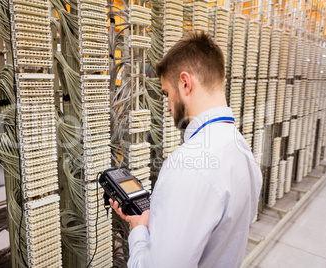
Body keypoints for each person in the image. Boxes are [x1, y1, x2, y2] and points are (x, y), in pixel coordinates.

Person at [110, 30, 262, 268]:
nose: (168, 107)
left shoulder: (188, 164)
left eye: (167, 94)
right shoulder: (243, 151)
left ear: (185, 83)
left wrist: (139, 229)